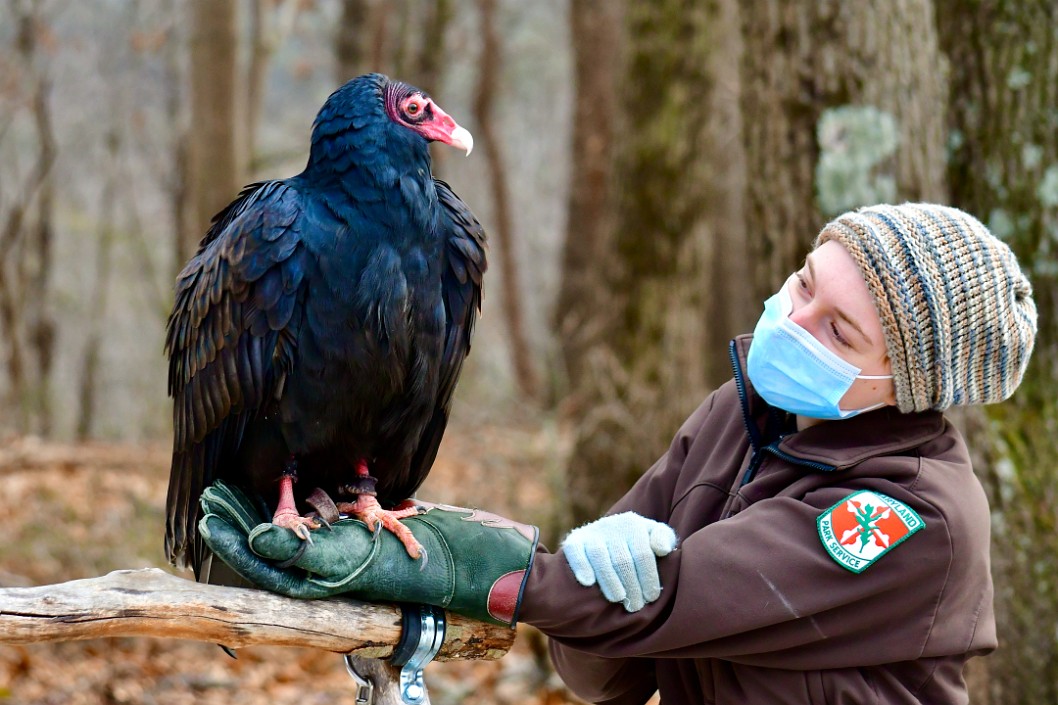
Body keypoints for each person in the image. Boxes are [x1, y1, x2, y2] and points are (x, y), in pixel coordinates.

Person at [200, 203, 1036, 705]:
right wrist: (591, 596)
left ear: (909, 384)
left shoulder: (912, 514)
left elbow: (668, 602)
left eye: (838, 330)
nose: (795, 319)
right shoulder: (744, 413)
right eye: (807, 282)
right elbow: (603, 674)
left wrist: (445, 560)